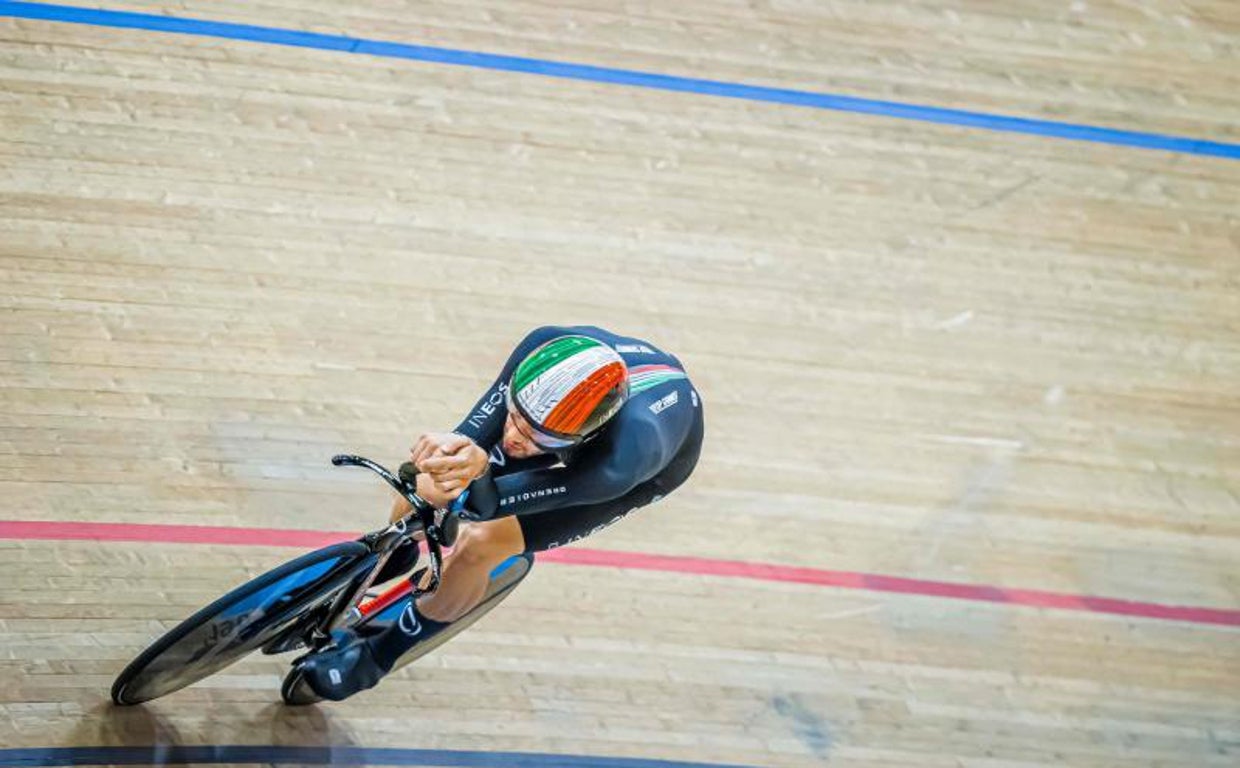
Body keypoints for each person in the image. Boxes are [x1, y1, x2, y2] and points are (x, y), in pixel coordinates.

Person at [300, 326, 705, 700]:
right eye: (513, 417)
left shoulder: (618, 463)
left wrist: (479, 476)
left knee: (483, 541)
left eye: (532, 435)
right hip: (568, 412)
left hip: (643, 468)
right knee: (432, 483)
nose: (511, 438)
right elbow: (461, 447)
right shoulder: (542, 346)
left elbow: (485, 506)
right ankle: (394, 553)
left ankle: (377, 656)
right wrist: (449, 456)